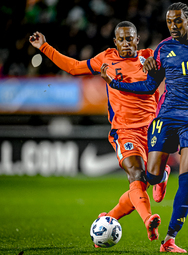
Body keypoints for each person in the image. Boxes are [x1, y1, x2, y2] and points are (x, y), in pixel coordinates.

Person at [101, 2, 188, 253]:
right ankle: (155, 182)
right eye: (169, 22)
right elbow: (148, 86)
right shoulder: (163, 48)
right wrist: (116, 84)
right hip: (166, 115)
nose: (173, 26)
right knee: (151, 176)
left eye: (177, 21)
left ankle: (169, 238)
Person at [29, 21, 172, 243]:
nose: (126, 43)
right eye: (121, 39)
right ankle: (148, 221)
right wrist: (44, 47)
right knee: (136, 176)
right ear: (115, 42)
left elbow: (166, 78)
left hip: (153, 130)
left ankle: (157, 179)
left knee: (147, 180)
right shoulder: (106, 58)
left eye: (130, 38)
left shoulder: (150, 57)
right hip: (125, 131)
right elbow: (74, 67)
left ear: (137, 39)